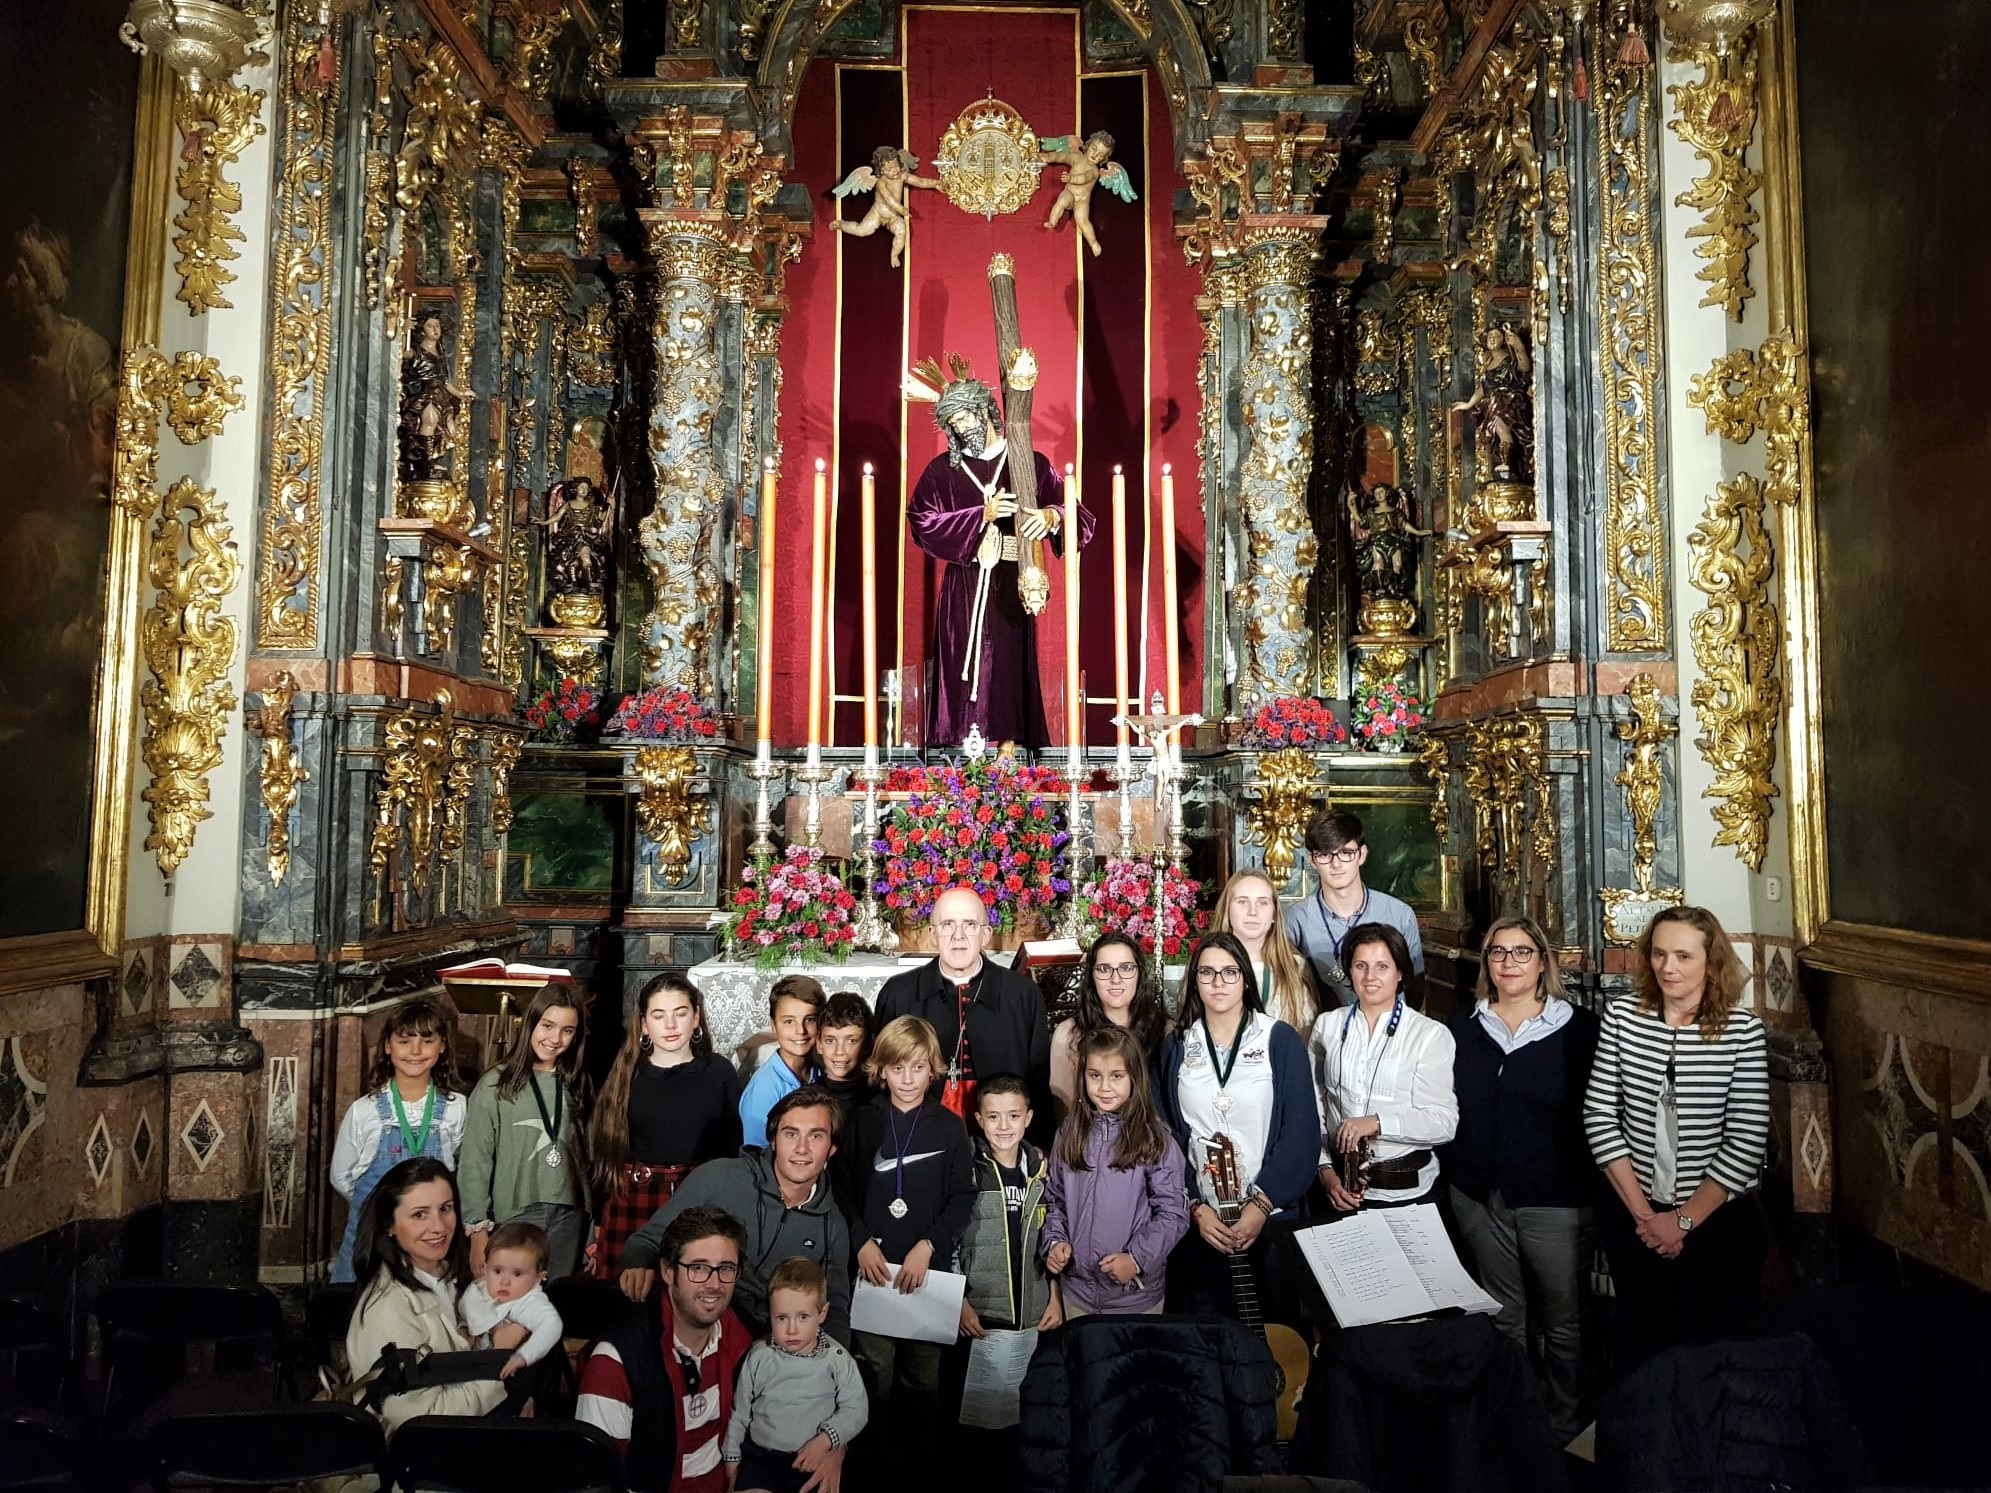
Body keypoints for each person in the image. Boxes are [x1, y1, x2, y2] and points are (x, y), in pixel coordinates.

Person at [1584, 905, 1769, 1370]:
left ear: (1711, 961)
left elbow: (1747, 1138)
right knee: (1645, 1348)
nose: (1668, 967)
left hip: (1717, 1221)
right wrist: (1646, 1217)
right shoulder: (1623, 1016)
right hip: (1637, 1216)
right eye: (1660, 953)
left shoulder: (1742, 1030)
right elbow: (1599, 1114)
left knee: (1712, 1354)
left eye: (1684, 956)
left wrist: (1682, 1222)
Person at [1444, 916, 1599, 1444]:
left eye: (1522, 952)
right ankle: (1513, 1416)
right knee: (1503, 1315)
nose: (1509, 963)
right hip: (1478, 1195)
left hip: (1555, 1198)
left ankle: (1564, 1422)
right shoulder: (1461, 1028)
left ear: (1542, 962)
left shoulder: (1579, 1030)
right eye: (1498, 952)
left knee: (1563, 1320)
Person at [906, 367, 1094, 748]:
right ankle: (959, 755)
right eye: (953, 423)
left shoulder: (1027, 462)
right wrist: (982, 515)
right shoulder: (942, 471)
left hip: (1010, 584)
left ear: (984, 409)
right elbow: (921, 521)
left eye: (964, 417)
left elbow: (1080, 516)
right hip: (963, 587)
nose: (960, 428)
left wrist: (1051, 516)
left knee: (1007, 666)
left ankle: (1009, 751)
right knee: (961, 666)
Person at [1158, 931, 1322, 1319]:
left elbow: (1301, 1133)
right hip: (1205, 1221)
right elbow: (1166, 1136)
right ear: (1194, 980)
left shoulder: (1278, 1039)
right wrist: (1195, 1205)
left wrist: (1262, 1204)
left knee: (1277, 1332)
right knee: (1209, 1334)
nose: (1218, 982)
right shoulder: (1177, 1045)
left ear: (1245, 979)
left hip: (1269, 1215)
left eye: (1229, 972)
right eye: (1207, 972)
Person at [840, 1016, 976, 1459]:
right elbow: (841, 1190)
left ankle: (919, 1466)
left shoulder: (949, 1126)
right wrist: (860, 1241)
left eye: (918, 1068)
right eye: (897, 1068)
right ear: (880, 1069)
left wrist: (929, 1244)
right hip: (873, 1271)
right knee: (874, 1372)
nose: (908, 1079)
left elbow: (962, 1196)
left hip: (926, 1275)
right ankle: (872, 1464)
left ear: (933, 1068)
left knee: (923, 1378)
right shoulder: (862, 1120)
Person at [622, 1089, 853, 1343]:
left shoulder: (832, 1225)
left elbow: (835, 1309)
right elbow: (647, 1241)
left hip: (769, 1344)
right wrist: (637, 1264)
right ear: (774, 1141)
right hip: (694, 1320)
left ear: (831, 1148)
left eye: (816, 1136)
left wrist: (834, 1360)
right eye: (791, 1134)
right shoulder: (719, 1177)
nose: (801, 1148)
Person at [579, 1206, 758, 1493]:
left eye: (725, 1268)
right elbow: (598, 1478)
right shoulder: (615, 1361)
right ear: (667, 1271)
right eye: (698, 1268)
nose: (714, 1284)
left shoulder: (745, 1339)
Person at [589, 975, 743, 1280]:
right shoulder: (625, 1073)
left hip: (697, 1198)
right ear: (644, 1024)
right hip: (634, 1197)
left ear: (696, 1018)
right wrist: (597, 1220)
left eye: (680, 1013)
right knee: (624, 1295)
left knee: (690, 1289)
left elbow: (732, 1149)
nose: (670, 1025)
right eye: (659, 1016)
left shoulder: (718, 1072)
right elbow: (605, 1149)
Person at [345, 1157, 511, 1430]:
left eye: (446, 1208)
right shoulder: (389, 1309)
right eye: (419, 1214)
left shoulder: (455, 1279)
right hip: (421, 1451)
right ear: (389, 1225)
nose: (439, 1227)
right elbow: (420, 1422)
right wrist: (503, 1362)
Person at [876, 886, 1053, 1139]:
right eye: (947, 924)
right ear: (933, 934)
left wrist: (1038, 1143)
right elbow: (881, 1077)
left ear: (985, 934)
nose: (958, 936)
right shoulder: (898, 993)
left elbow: (1038, 1081)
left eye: (969, 925)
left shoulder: (1023, 994)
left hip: (1002, 1134)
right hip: (920, 1133)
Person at [1042, 1028, 1190, 1317]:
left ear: (1134, 1077)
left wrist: (1136, 1260)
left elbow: (1173, 1213)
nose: (1105, 1087)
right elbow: (1055, 1200)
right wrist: (1055, 1241)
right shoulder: (1069, 1133)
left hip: (1135, 1297)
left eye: (1117, 1076)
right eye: (1095, 1075)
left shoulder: (1154, 1139)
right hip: (1077, 1295)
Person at [1311, 922, 1457, 1210]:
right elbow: (1313, 1105)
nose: (1370, 977)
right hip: (1338, 1187)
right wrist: (1325, 1170)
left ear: (1400, 972)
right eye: (1360, 966)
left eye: (1382, 967)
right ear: (1349, 970)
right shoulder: (1327, 1025)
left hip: (1406, 1193)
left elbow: (1443, 1123)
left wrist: (1377, 1123)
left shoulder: (1429, 1034)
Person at [330, 995, 468, 1282]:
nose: (415, 1051)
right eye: (404, 1041)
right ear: (388, 1046)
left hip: (430, 1238)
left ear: (442, 1046)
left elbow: (463, 1167)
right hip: (373, 1235)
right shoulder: (365, 1110)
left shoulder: (457, 1107)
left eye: (427, 1041)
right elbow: (341, 1176)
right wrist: (380, 1207)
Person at [460, 984, 591, 1277]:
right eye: (548, 1026)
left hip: (568, 1213)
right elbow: (475, 1159)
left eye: (567, 1030)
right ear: (530, 1022)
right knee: (513, 1297)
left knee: (558, 1299)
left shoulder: (576, 1082)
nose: (555, 1039)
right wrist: (477, 1230)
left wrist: (592, 1228)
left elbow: (586, 1158)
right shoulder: (495, 1084)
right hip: (516, 1211)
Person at [723, 1257, 868, 1493]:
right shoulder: (759, 1355)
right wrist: (731, 1458)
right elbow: (739, 1412)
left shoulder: (837, 1359)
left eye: (803, 1317)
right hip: (760, 1458)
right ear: (770, 1314)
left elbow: (856, 1409)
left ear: (822, 1313)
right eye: (781, 1318)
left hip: (810, 1458)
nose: (792, 1329)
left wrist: (826, 1439)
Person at [956, 1073, 1062, 1338]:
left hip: (1034, 1313)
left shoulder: (1041, 1174)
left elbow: (1051, 1240)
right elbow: (949, 1243)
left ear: (1028, 1118)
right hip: (978, 1314)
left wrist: (1055, 1296)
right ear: (980, 1119)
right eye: (993, 1116)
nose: (1004, 1126)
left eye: (1013, 1116)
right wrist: (958, 1301)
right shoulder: (966, 1170)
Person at [1285, 810, 1425, 1009]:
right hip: (1323, 1024)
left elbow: (1415, 987)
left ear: (1362, 854)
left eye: (1346, 853)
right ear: (1312, 860)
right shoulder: (1295, 920)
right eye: (1324, 855)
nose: (1336, 864)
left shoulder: (1399, 915)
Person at [1048, 933, 1168, 1126]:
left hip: (1154, 1137)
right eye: (1104, 969)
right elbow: (1065, 1110)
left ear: (1140, 974)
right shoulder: (1069, 1034)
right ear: (1091, 977)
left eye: (1126, 968)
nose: (1115, 979)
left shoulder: (1165, 1031)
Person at [460, 1219, 565, 1388]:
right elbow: (464, 1313)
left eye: (517, 1274)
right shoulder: (480, 1289)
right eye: (497, 1271)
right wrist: (463, 1327)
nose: (504, 1281)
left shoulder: (529, 1301)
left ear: (538, 1278)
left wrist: (524, 1356)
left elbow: (552, 1324)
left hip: (508, 1376)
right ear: (485, 1268)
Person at [1212, 870, 1320, 1034]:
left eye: (1262, 902)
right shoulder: (1207, 965)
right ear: (1227, 910)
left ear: (1274, 913)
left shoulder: (1293, 967)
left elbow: (1304, 1038)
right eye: (1242, 902)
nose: (1252, 911)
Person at [741, 976, 826, 1148]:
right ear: (773, 1025)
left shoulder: (821, 1069)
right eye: (788, 1021)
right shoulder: (764, 1089)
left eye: (810, 1019)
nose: (800, 1030)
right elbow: (757, 1154)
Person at [814, 992, 875, 1118]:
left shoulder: (878, 1100)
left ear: (868, 1045)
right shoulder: (806, 1100)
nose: (839, 1051)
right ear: (819, 1044)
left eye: (851, 1041)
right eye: (830, 1040)